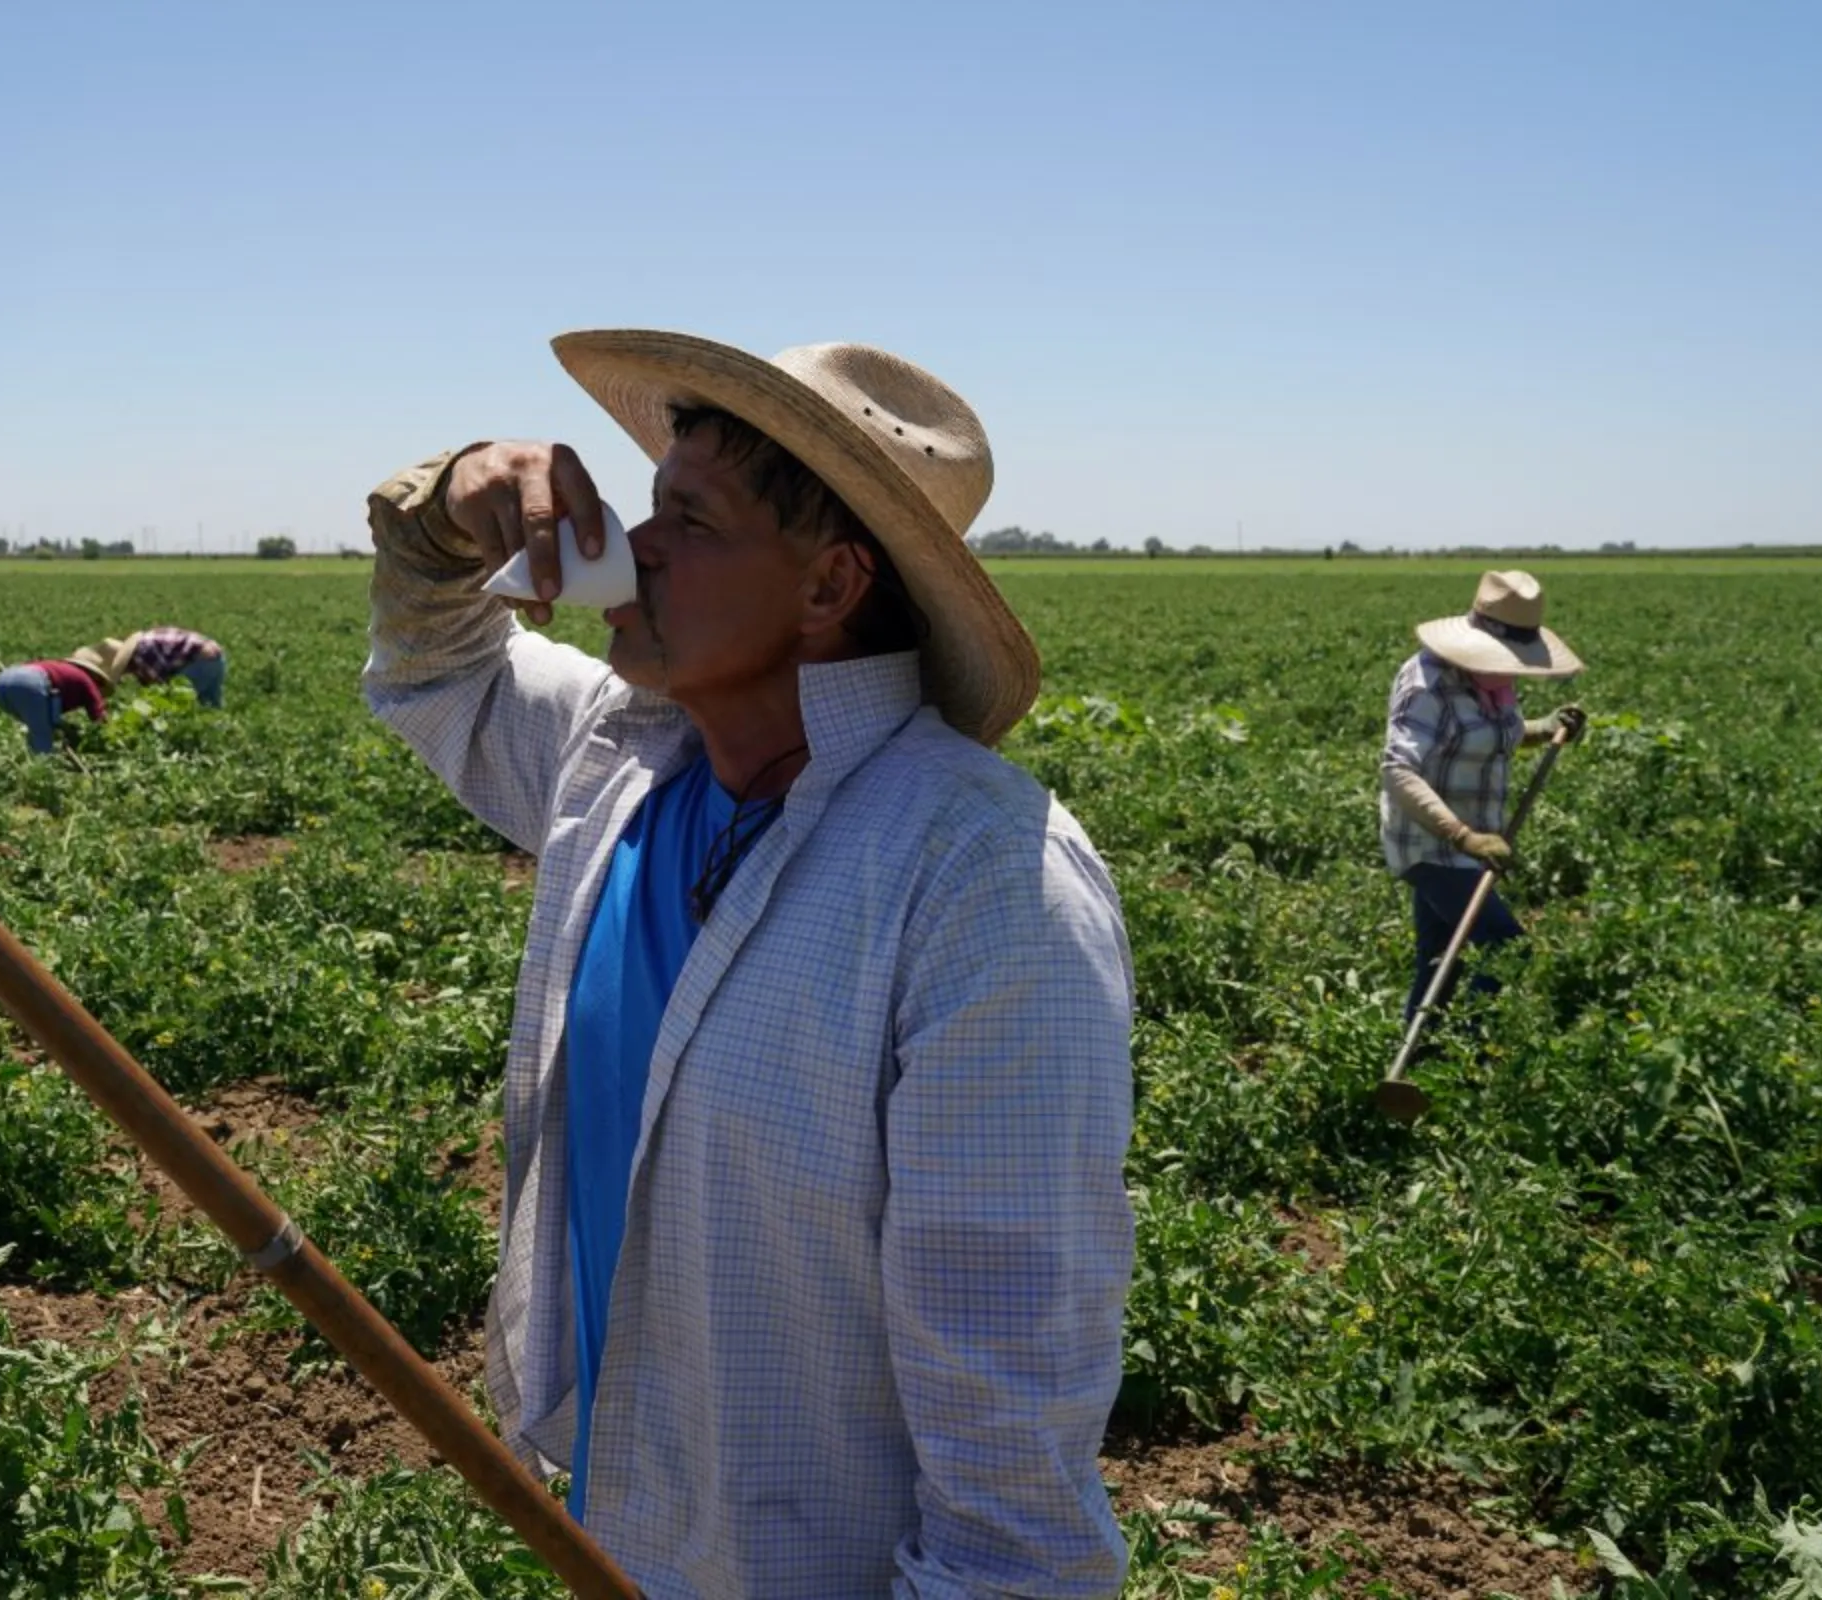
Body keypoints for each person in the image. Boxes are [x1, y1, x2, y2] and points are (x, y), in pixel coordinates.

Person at [361, 329, 1134, 1598]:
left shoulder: (980, 883)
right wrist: (451, 502)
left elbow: (1011, 1443)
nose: (638, 543)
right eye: (646, 507)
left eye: (691, 518)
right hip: (622, 1519)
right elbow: (438, 660)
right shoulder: (626, 759)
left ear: (830, 586)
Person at [1380, 569, 1589, 1024]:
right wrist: (1462, 835)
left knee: (1439, 962)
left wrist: (1542, 729)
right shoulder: (1427, 683)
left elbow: (1491, 737)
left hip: (1467, 846)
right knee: (1505, 944)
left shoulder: (1494, 686)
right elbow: (1398, 770)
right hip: (1429, 844)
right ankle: (1467, 1054)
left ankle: (1418, 1065)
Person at [0, 651, 109, 755]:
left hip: (0, 683)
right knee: (43, 738)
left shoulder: (59, 669)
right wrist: (110, 740)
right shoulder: (86, 680)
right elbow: (99, 717)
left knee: (37, 729)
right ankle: (42, 773)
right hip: (30, 683)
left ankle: (33, 762)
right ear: (97, 678)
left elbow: (48, 708)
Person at [71, 628, 228, 707]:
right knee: (211, 708)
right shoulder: (144, 647)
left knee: (176, 707)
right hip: (215, 657)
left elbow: (161, 689)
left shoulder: (141, 655)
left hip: (200, 662)